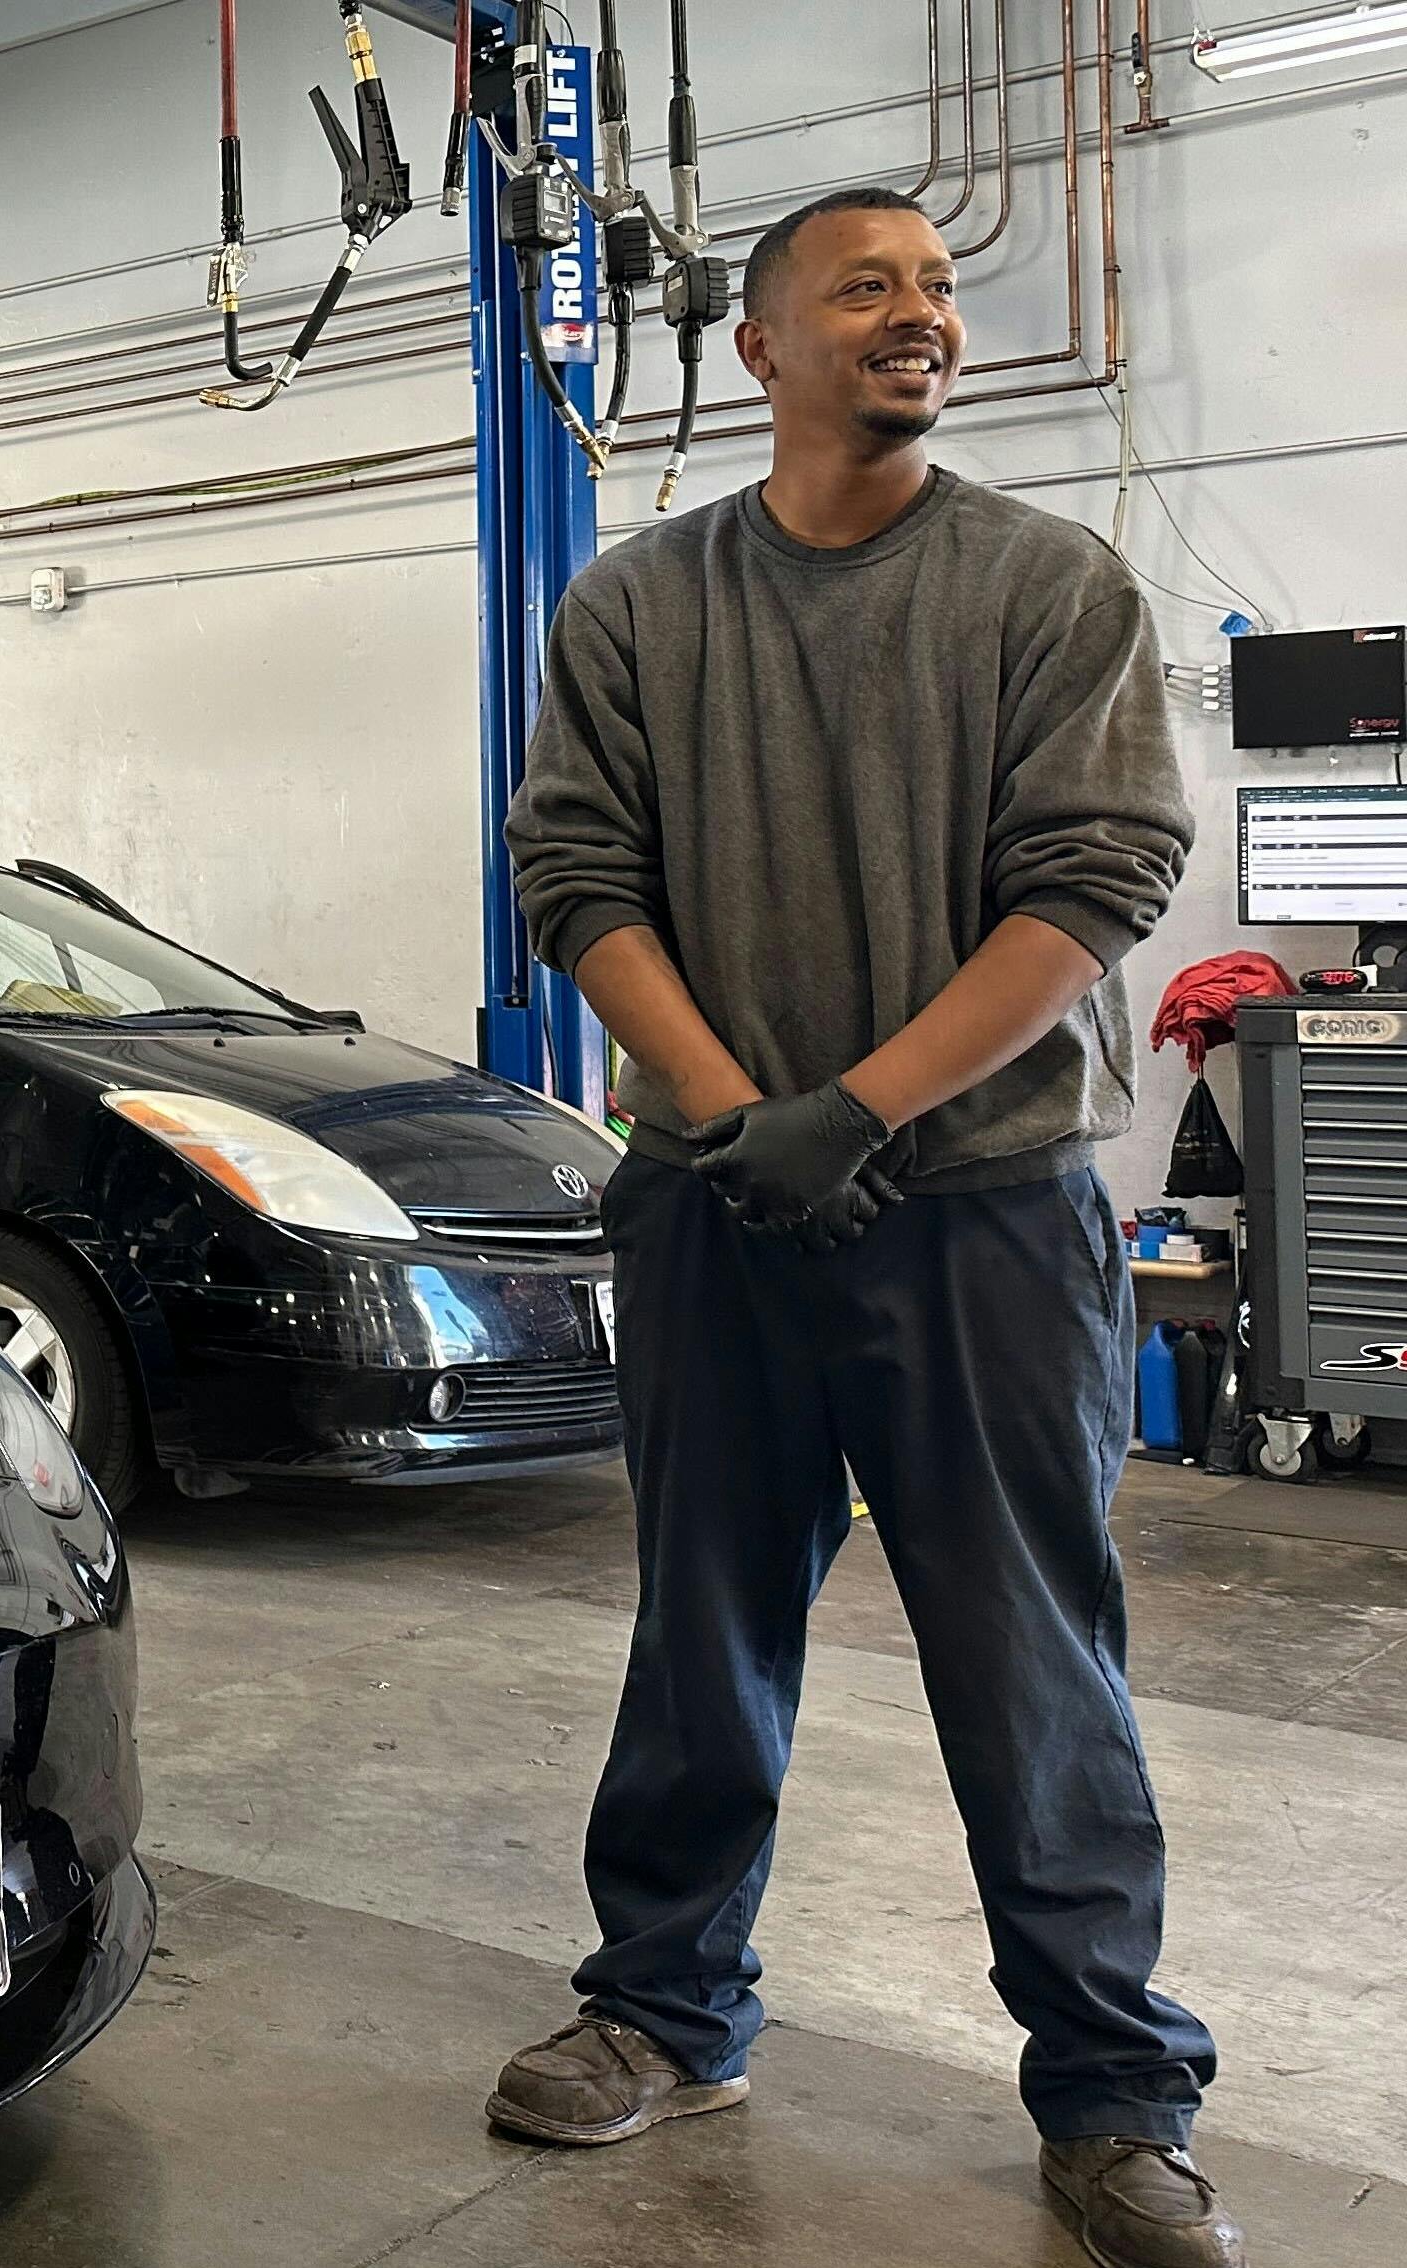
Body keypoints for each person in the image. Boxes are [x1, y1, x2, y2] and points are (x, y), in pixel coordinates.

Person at [499, 187, 1227, 2268]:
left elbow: (1092, 880)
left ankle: (1112, 2091)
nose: (924, 316)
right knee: (703, 1627)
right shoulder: (641, 605)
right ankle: (664, 2008)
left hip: (979, 1211)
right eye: (869, 289)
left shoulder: (1045, 585)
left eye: (937, 289)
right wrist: (739, 1121)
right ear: (760, 347)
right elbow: (577, 873)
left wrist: (864, 1111)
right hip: (720, 1208)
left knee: (1030, 1657)